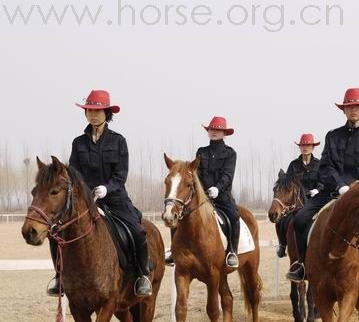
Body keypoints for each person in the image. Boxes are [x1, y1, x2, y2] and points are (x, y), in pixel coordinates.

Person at [47, 90, 152, 297]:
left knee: (137, 231)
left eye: (97, 111)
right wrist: (82, 191)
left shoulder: (118, 141)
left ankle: (142, 275)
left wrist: (107, 188)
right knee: (55, 232)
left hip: (114, 198)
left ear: (107, 113)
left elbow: (121, 174)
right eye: (89, 111)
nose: (93, 115)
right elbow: (74, 172)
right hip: (86, 200)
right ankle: (60, 276)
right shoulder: (78, 143)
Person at [286, 88, 359, 283]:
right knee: (301, 219)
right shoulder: (333, 136)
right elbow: (326, 166)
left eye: (358, 106)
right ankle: (302, 264)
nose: (353, 110)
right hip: (331, 192)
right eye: (349, 106)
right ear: (344, 110)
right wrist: (340, 186)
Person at [165, 116, 240, 268]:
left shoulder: (230, 153)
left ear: (224, 133)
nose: (214, 132)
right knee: (178, 215)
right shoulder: (202, 151)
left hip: (222, 196)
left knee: (234, 217)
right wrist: (201, 190)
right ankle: (174, 251)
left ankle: (232, 251)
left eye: (218, 130)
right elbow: (196, 173)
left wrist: (217, 188)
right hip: (201, 196)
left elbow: (228, 175)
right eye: (212, 129)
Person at [275, 133, 321, 258]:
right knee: (281, 220)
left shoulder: (319, 164)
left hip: (315, 200)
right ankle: (282, 245)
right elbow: (288, 184)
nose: (305, 148)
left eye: (308, 145)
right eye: (302, 145)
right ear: (299, 147)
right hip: (297, 201)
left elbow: (324, 181)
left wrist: (318, 189)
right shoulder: (293, 165)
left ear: (313, 147)